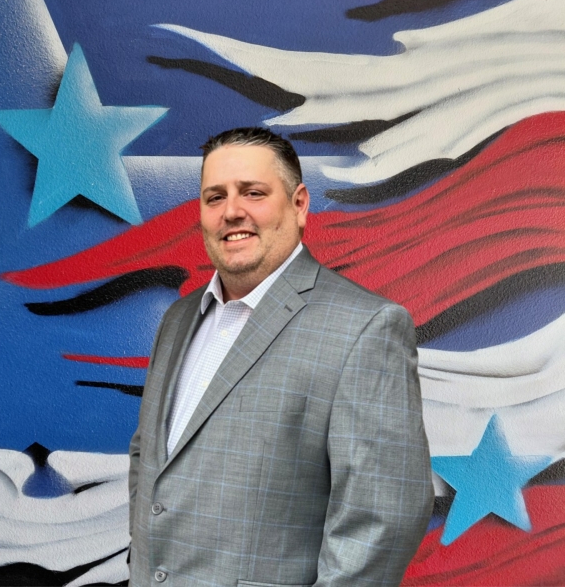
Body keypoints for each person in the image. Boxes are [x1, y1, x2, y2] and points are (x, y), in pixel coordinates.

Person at [128, 127, 434, 587]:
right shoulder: (178, 319)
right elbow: (148, 459)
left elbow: (381, 522)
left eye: (253, 193)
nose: (232, 211)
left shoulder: (366, 326)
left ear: (299, 204)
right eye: (215, 197)